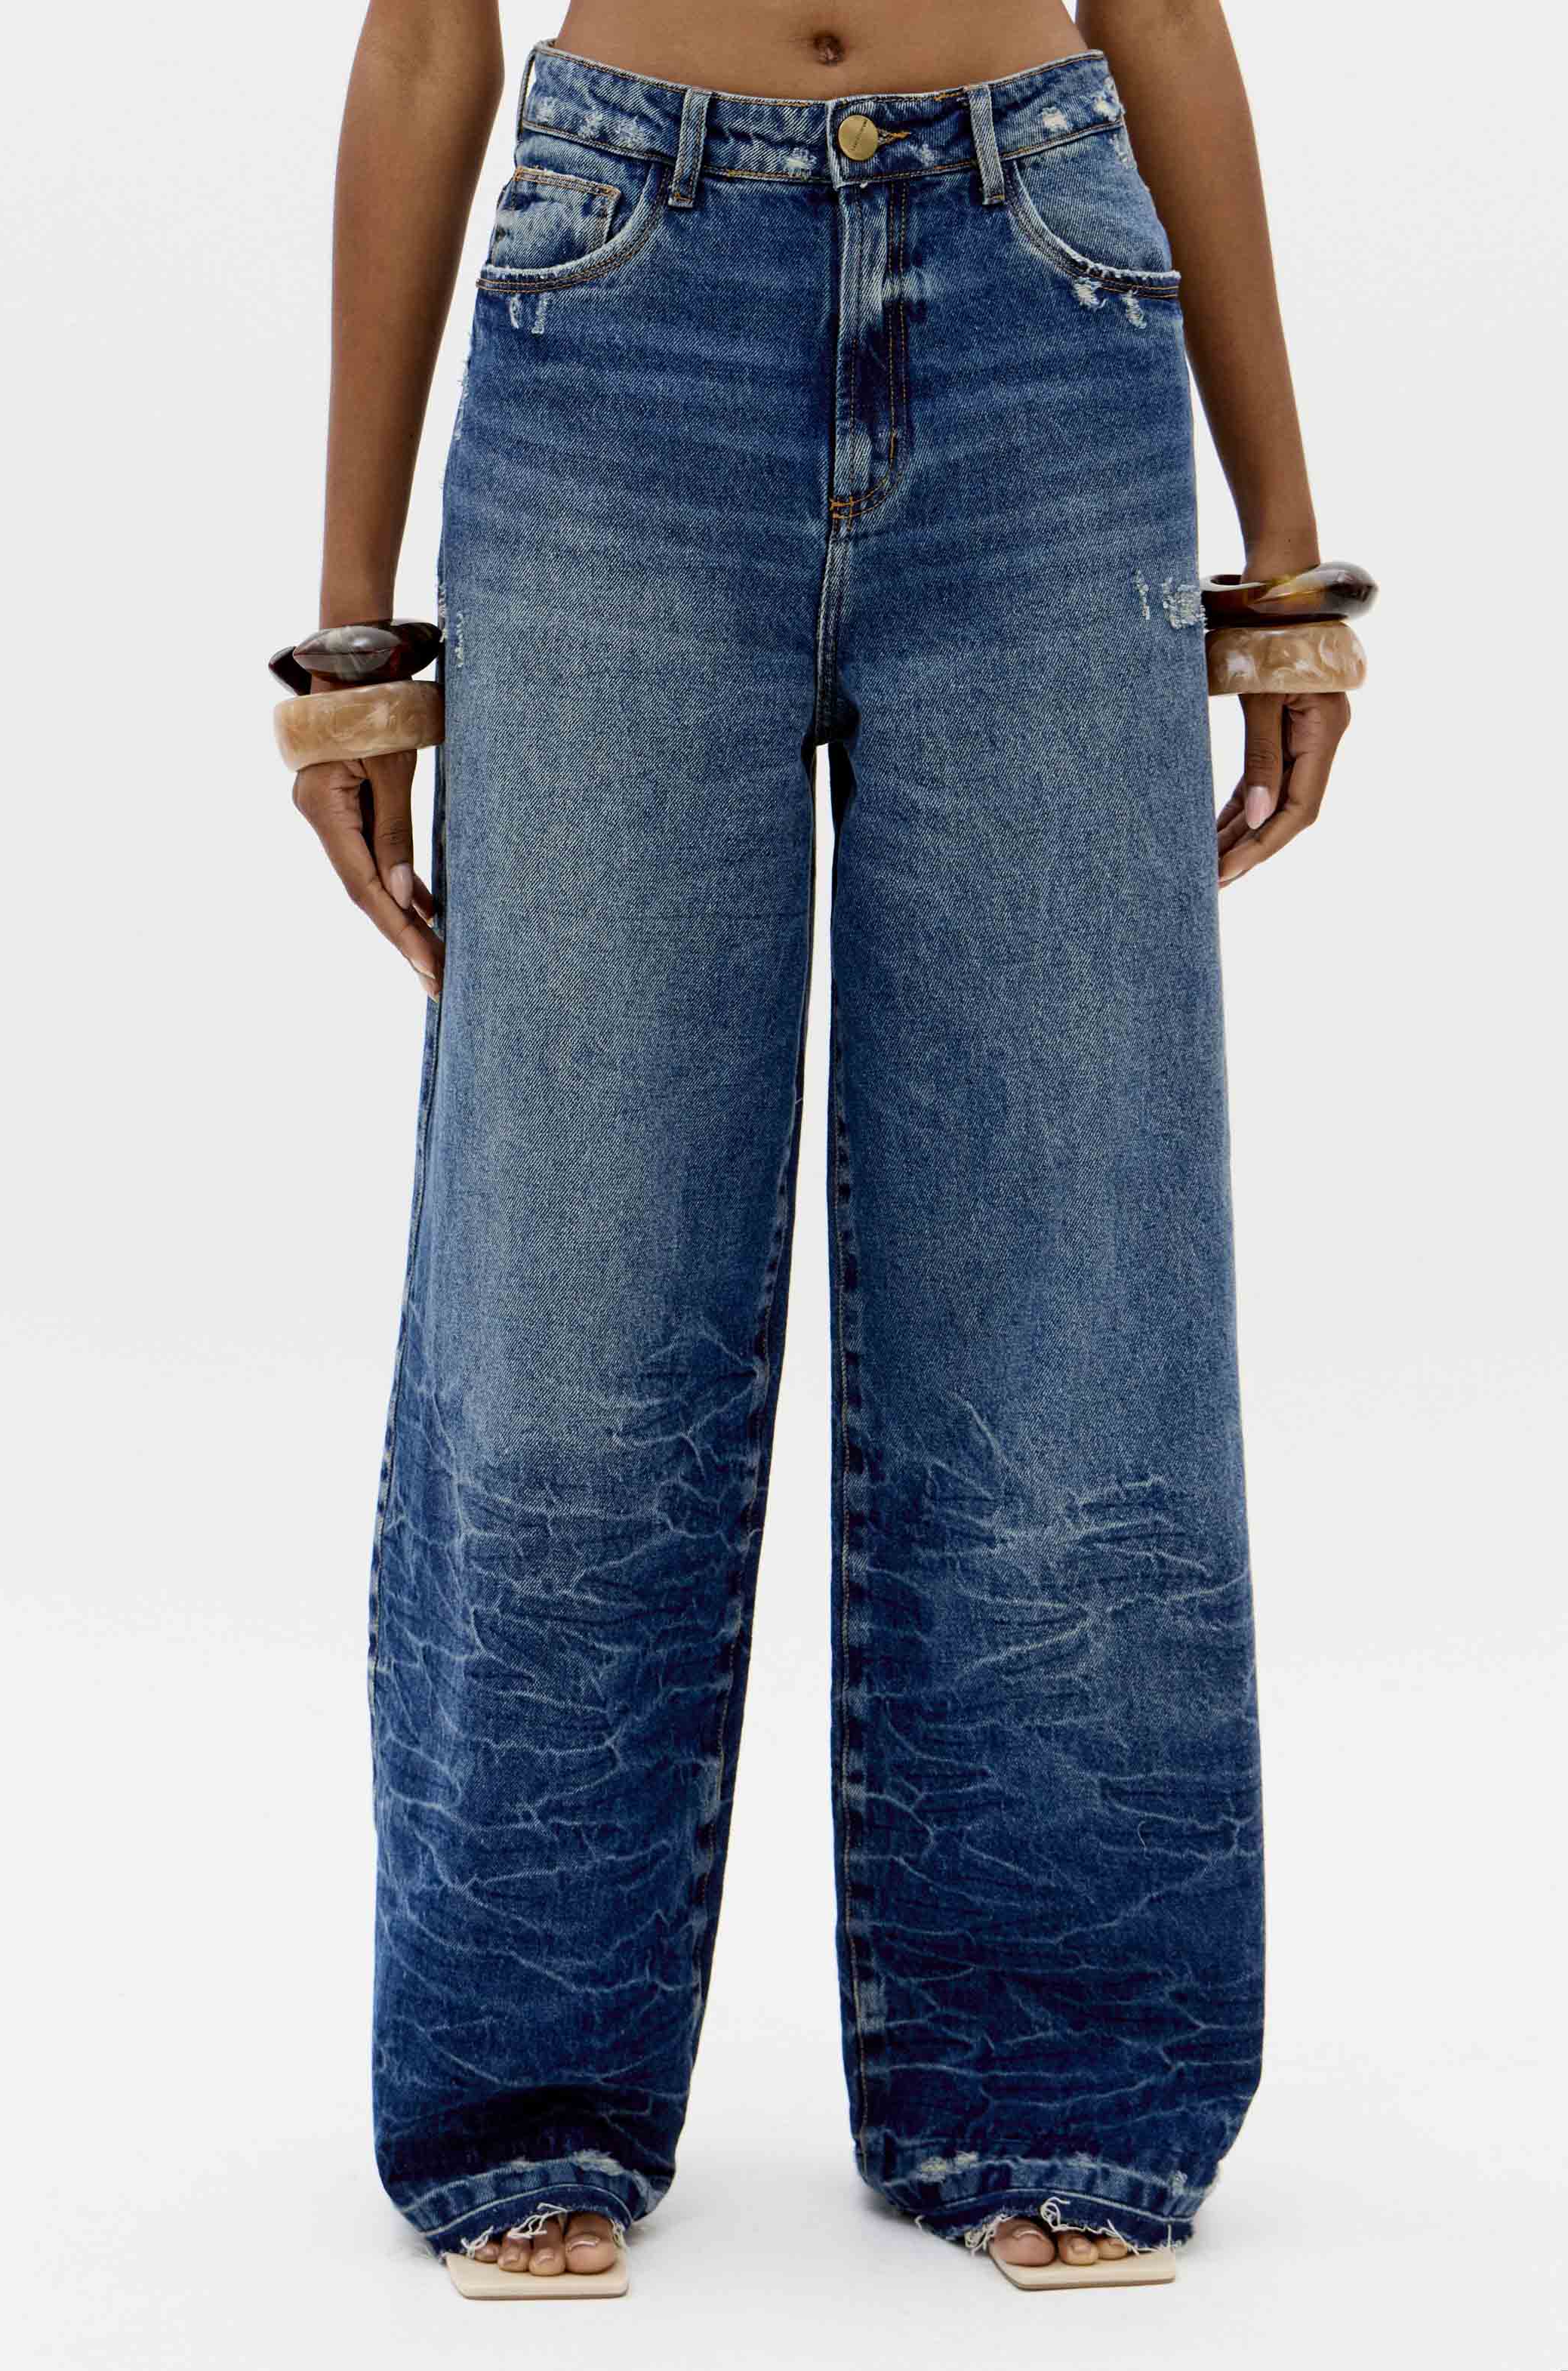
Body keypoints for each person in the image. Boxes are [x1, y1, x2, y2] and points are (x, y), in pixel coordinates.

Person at [287, 0, 1352, 2292]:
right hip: (620, 320)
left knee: (1076, 1260)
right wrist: (353, 627)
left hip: (1047, 306)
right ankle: (523, 2091)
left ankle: (1059, 2082)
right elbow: (421, 38)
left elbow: (1158, 5)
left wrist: (1286, 557)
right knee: (568, 1272)